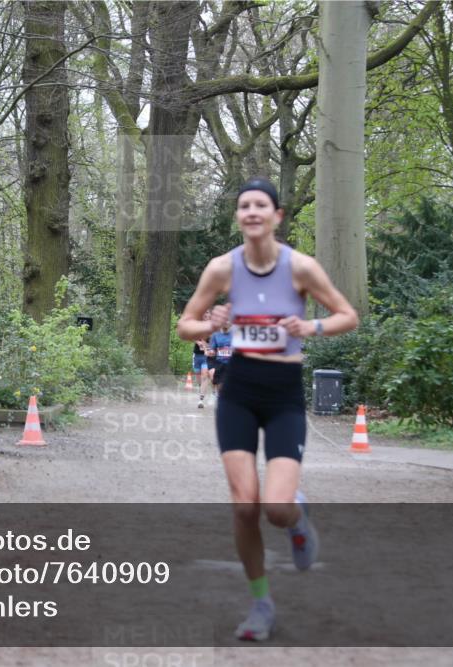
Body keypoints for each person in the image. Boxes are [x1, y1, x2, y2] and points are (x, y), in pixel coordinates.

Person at [176, 177, 358, 642]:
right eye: (244, 206)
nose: (252, 212)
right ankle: (261, 603)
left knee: (275, 507)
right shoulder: (222, 269)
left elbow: (347, 314)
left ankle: (297, 517)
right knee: (244, 506)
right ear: (239, 217)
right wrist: (210, 320)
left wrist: (311, 325)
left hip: (283, 395)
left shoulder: (301, 268)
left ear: (276, 216)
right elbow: (185, 325)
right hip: (238, 389)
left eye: (261, 205)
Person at [207, 319, 233, 403]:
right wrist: (211, 352)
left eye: (228, 320)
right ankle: (219, 396)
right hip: (219, 362)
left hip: (232, 363)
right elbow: (212, 349)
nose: (226, 322)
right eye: (225, 321)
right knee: (219, 382)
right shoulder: (216, 335)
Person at [191, 310, 211, 408]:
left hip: (207, 356)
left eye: (208, 313)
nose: (206, 314)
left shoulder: (212, 327)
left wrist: (206, 345)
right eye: (204, 312)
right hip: (197, 355)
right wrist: (197, 342)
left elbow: (215, 341)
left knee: (205, 376)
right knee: (198, 376)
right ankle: (201, 388)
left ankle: (201, 399)